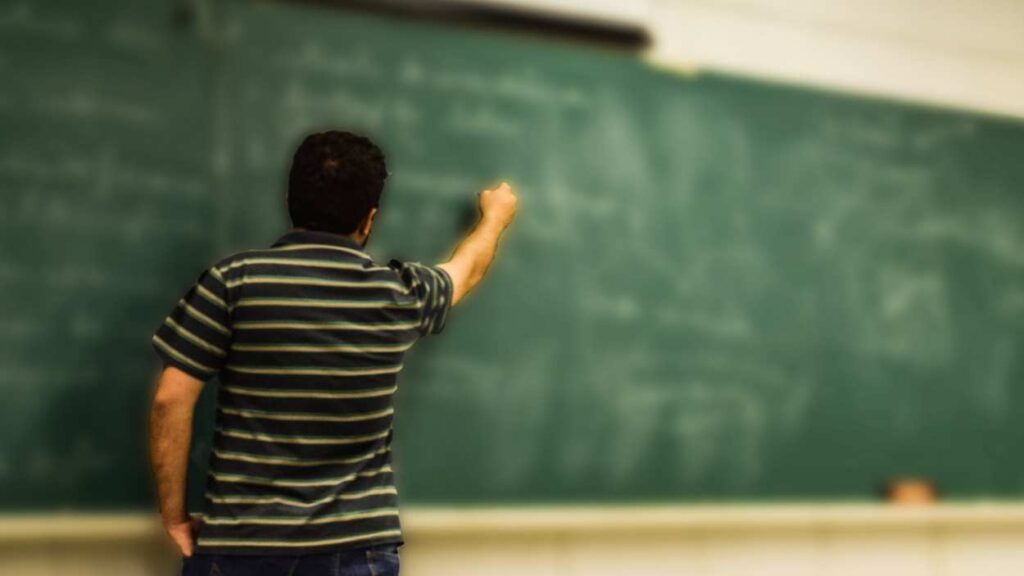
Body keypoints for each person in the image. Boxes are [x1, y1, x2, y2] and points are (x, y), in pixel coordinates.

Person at [147, 130, 518, 575]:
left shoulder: (233, 282)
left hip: (242, 543)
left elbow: (171, 399)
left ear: (289, 199)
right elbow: (467, 269)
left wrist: (173, 516)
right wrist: (495, 216)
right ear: (369, 219)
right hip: (355, 549)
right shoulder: (397, 294)